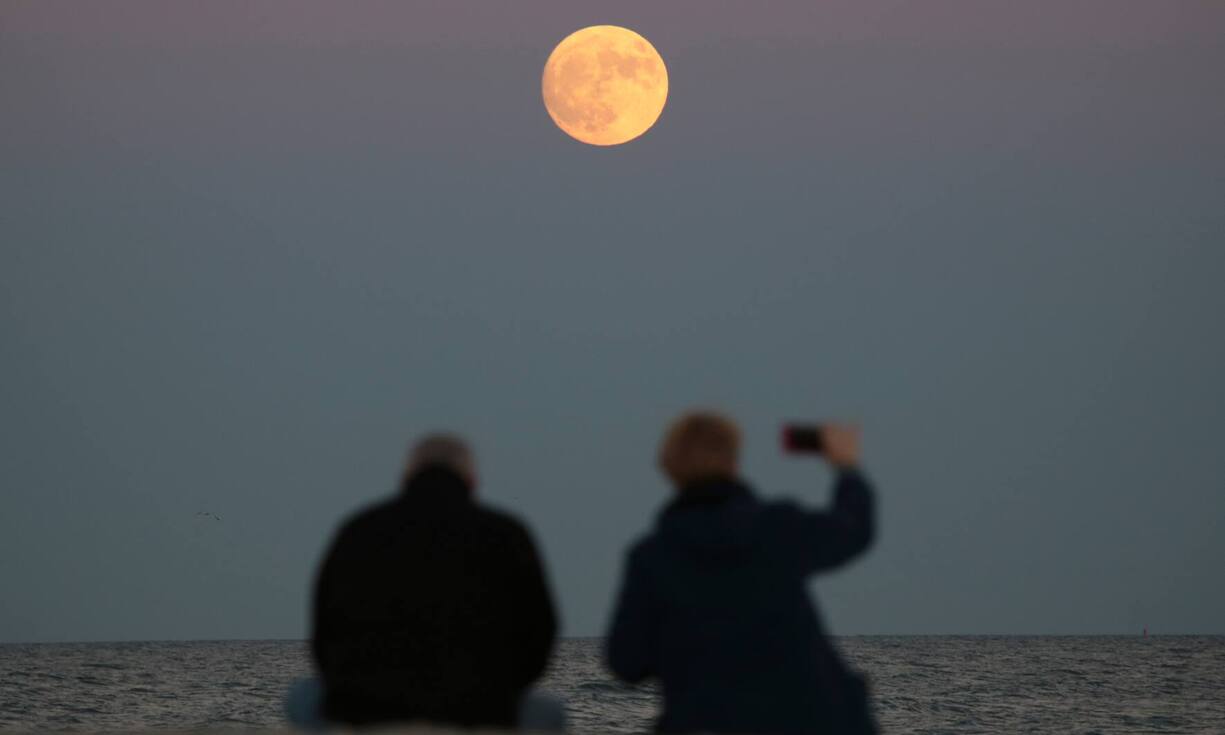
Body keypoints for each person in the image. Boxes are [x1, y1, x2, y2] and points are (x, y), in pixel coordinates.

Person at [606, 411, 877, 735]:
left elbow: (626, 661)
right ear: (733, 462)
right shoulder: (776, 529)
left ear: (670, 469)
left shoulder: (652, 559)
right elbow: (853, 529)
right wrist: (846, 468)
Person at [292, 434, 563, 731]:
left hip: (368, 709)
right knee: (550, 711)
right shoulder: (507, 533)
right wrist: (504, 689)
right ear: (471, 481)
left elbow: (324, 628)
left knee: (302, 695)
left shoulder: (358, 529)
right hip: (479, 708)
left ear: (406, 477)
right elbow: (541, 630)